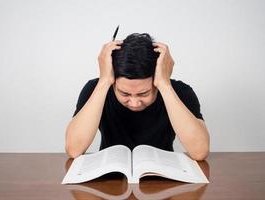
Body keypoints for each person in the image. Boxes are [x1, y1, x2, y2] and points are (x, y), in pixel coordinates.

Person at [65, 33, 210, 161]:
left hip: (162, 180)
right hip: (110, 180)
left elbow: (199, 152)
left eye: (143, 93)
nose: (134, 103)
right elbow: (74, 150)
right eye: (124, 93)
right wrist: (104, 81)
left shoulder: (180, 91)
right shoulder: (96, 89)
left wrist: (165, 86)